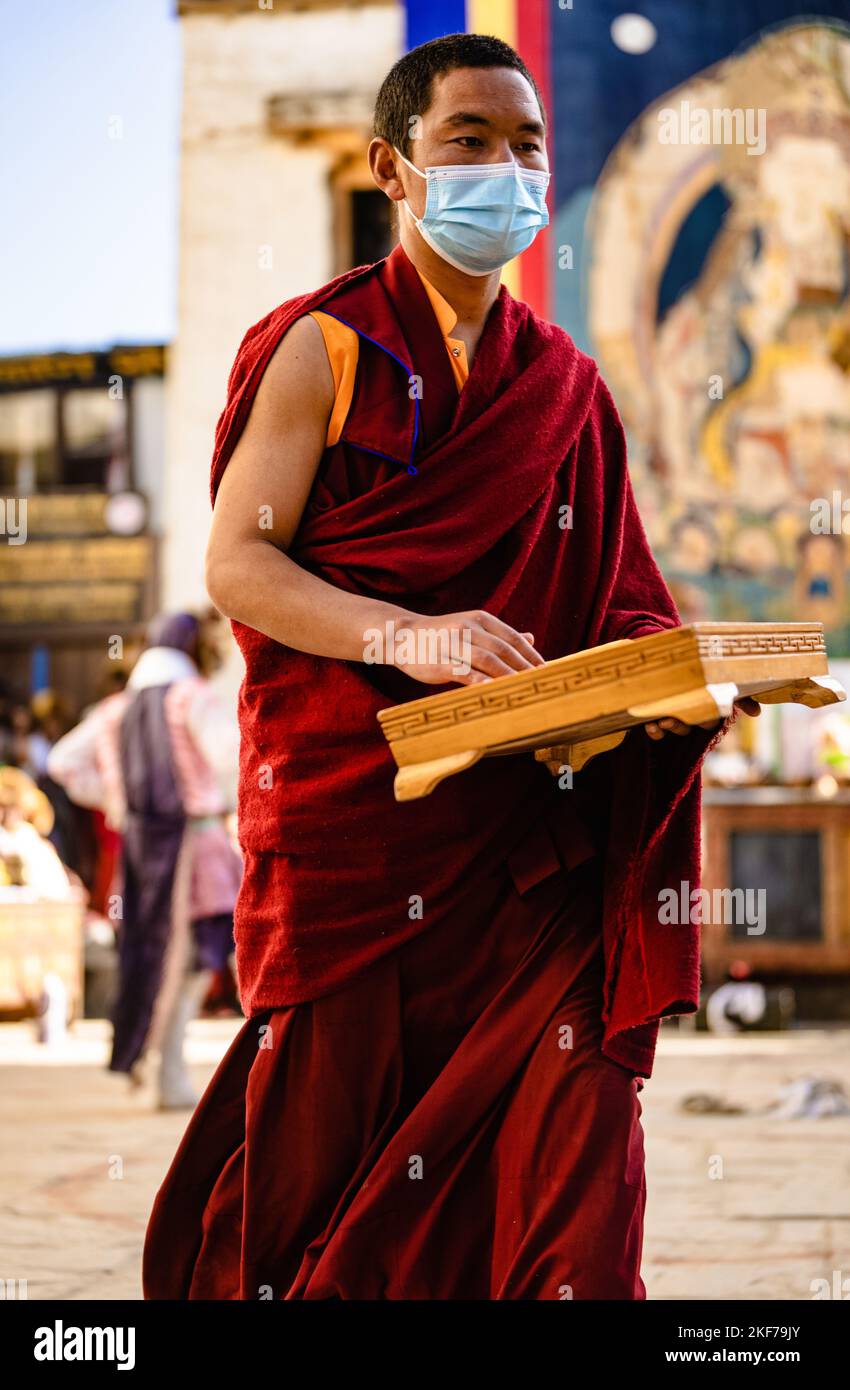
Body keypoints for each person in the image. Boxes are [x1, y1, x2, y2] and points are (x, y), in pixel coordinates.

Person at [143, 34, 757, 1299]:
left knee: (570, 1180)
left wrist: (680, 684)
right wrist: (407, 635)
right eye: (465, 142)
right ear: (392, 167)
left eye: (525, 146)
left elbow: (623, 609)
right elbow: (239, 566)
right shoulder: (327, 347)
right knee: (322, 1187)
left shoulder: (570, 391)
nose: (503, 169)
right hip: (362, 841)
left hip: (535, 857)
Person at [47, 612, 241, 1109]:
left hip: (140, 849)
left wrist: (117, 799)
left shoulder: (114, 710)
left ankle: (152, 1061)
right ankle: (170, 1071)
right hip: (197, 847)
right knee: (199, 957)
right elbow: (230, 758)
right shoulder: (193, 697)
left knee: (148, 950)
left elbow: (63, 763)